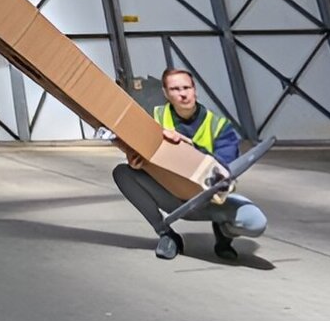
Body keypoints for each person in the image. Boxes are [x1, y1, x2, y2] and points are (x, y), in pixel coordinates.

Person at [112, 68, 266, 261]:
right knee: (123, 173)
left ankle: (224, 234)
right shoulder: (153, 120)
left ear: (195, 90)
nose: (183, 93)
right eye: (175, 89)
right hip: (171, 196)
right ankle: (167, 234)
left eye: (186, 87)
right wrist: (136, 161)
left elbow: (224, 170)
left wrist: (189, 150)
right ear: (166, 94)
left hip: (208, 200)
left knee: (255, 222)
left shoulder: (218, 126)